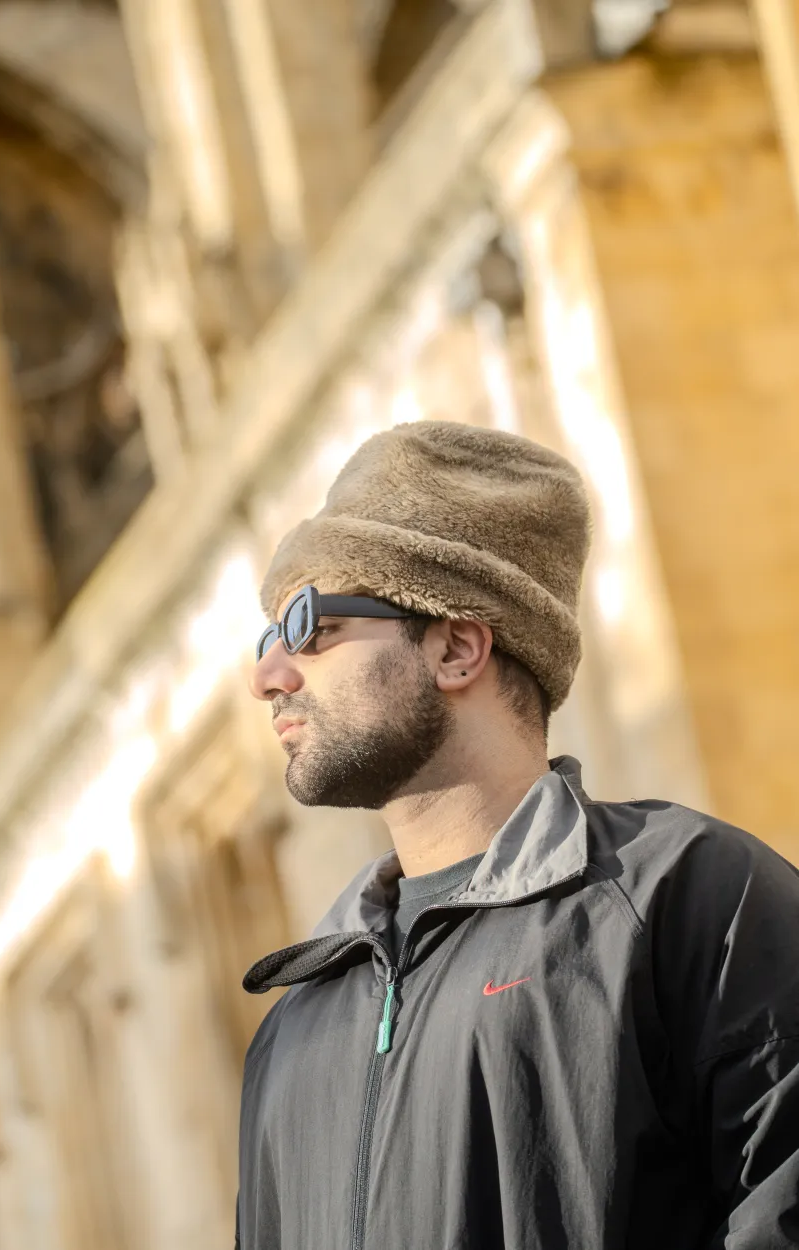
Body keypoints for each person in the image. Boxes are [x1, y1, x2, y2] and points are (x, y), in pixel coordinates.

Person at [235, 420, 799, 1249]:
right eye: (269, 640)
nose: (267, 677)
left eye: (310, 628)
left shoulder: (686, 898)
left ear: (457, 648)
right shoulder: (292, 1031)